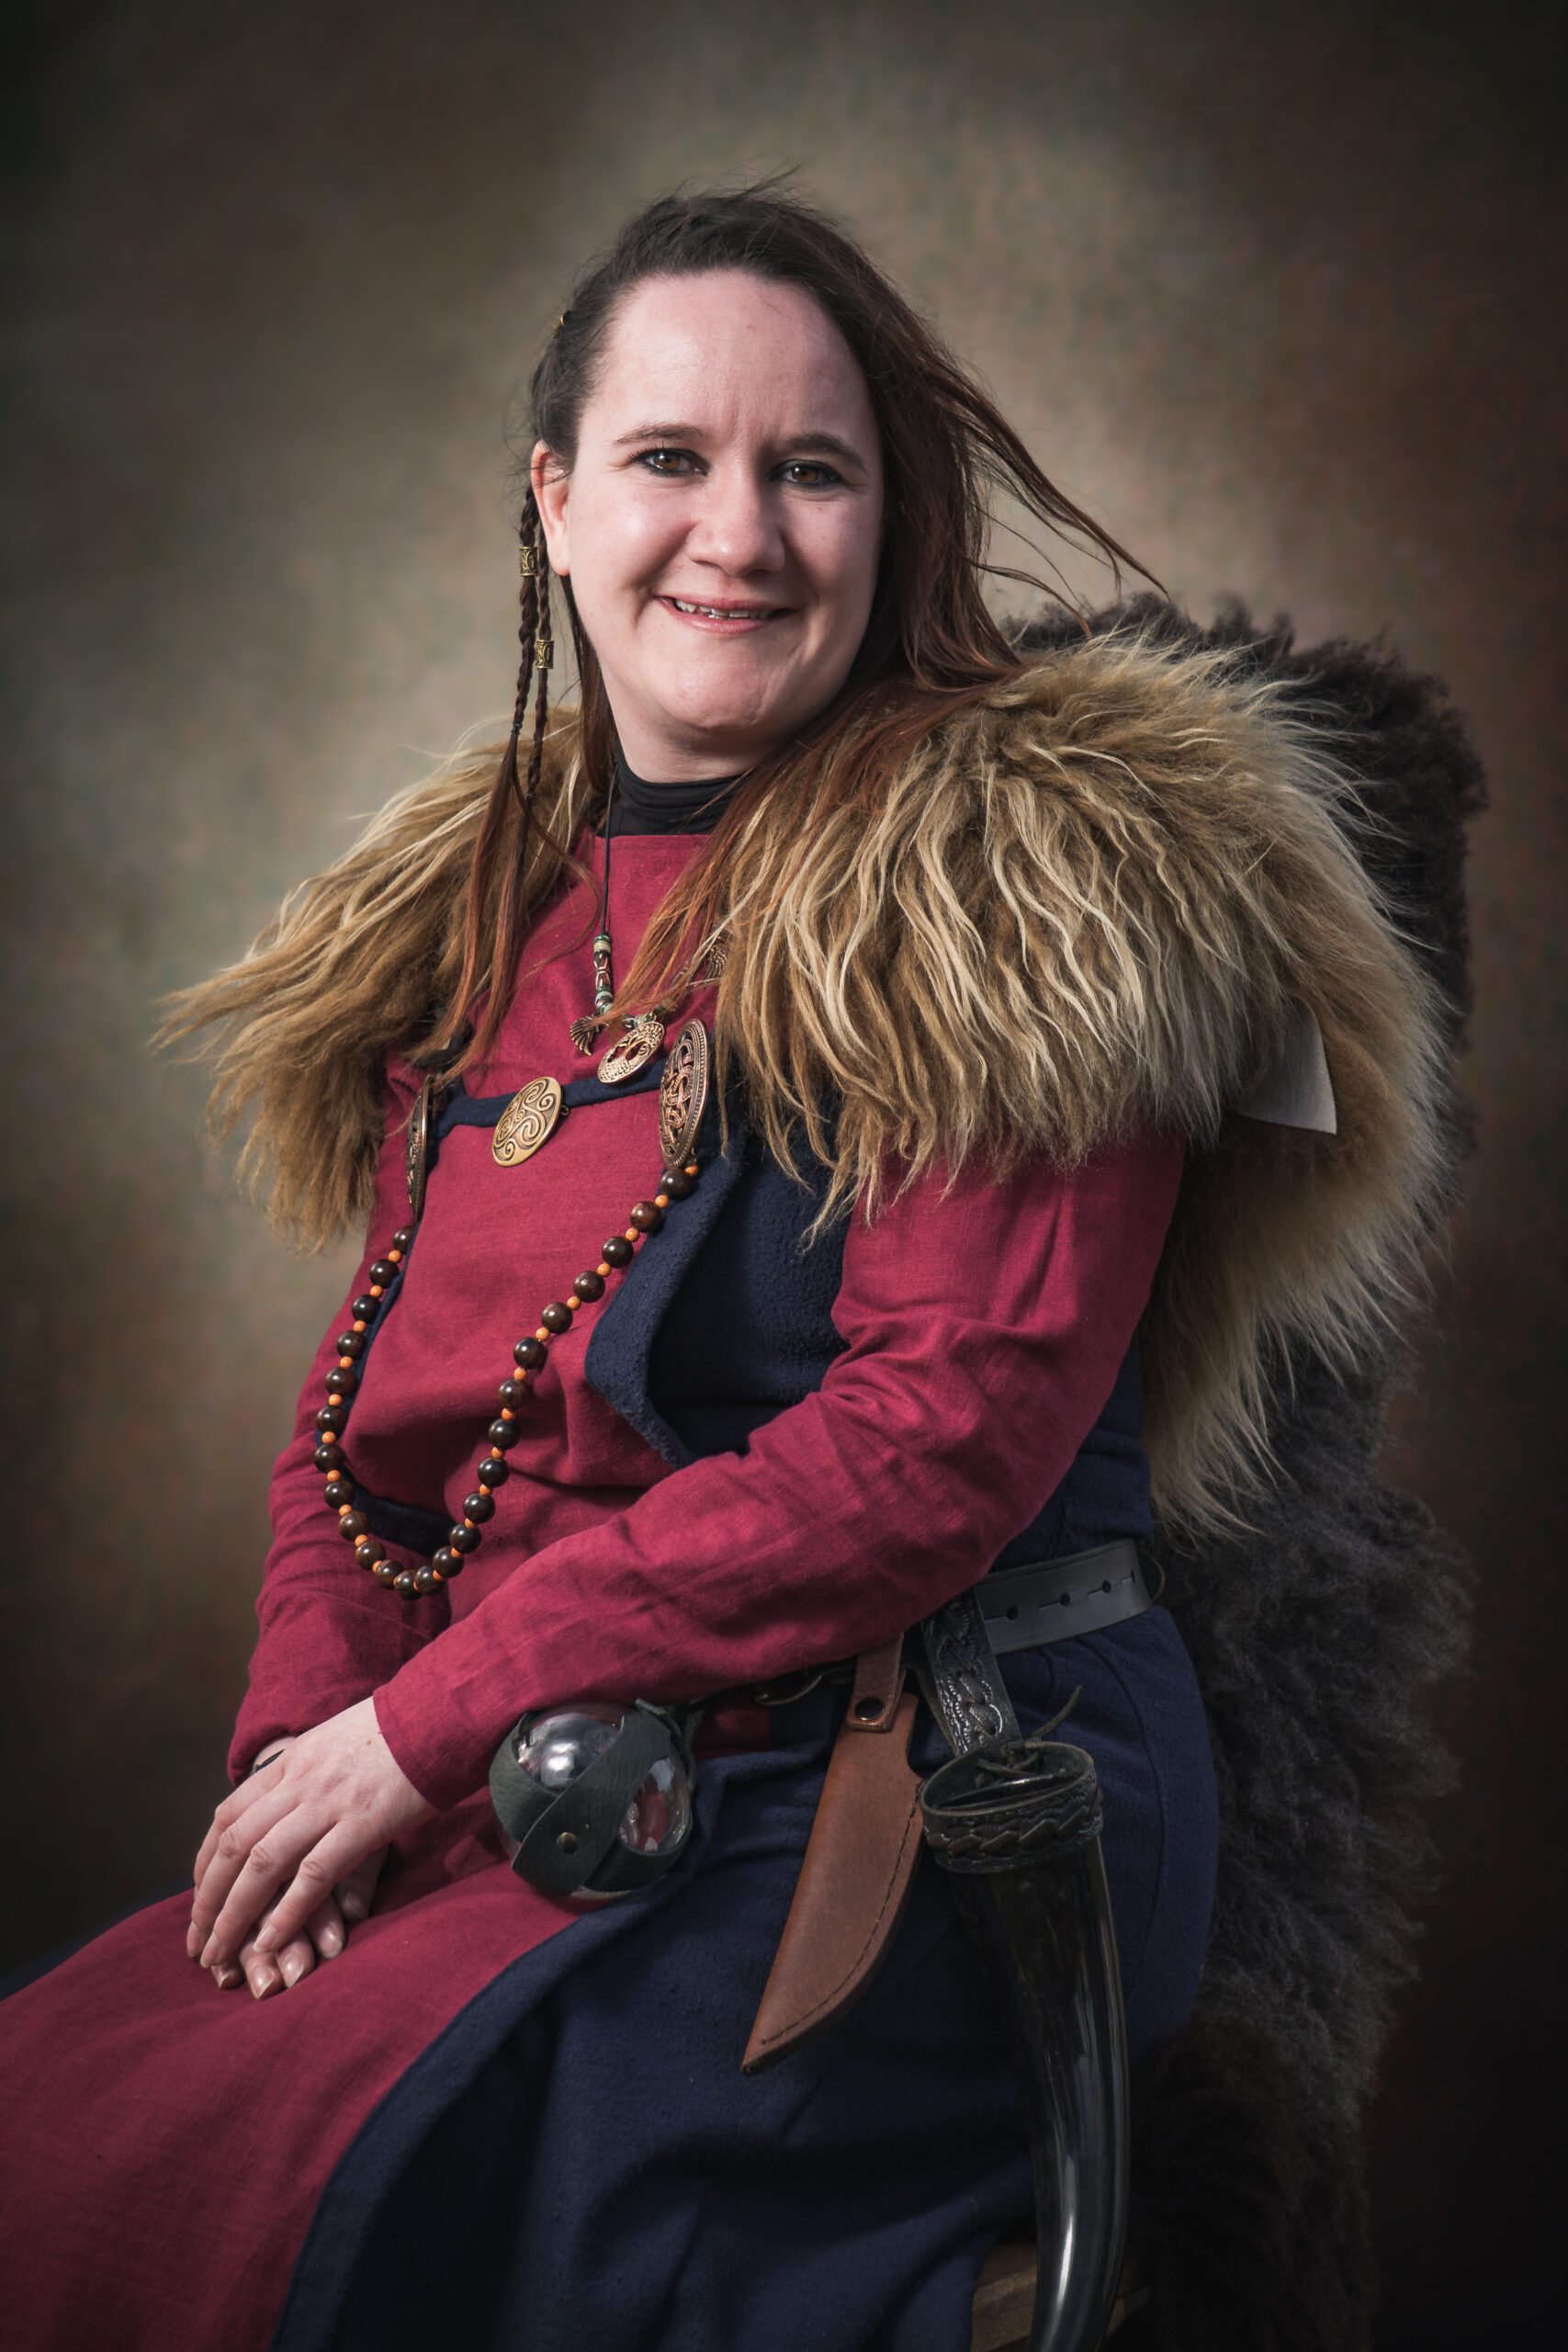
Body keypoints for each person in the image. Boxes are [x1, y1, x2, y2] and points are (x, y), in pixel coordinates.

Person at [0, 184, 1443, 2352]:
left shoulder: (1025, 882)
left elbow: (936, 1434)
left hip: (928, 1785)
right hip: (529, 1778)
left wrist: (419, 1732)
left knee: (394, 2199)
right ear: (556, 499)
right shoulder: (478, 920)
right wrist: (310, 1755)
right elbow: (362, 1441)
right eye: (671, 457)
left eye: (811, 470)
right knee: (69, 2117)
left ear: (889, 517)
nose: (739, 534)